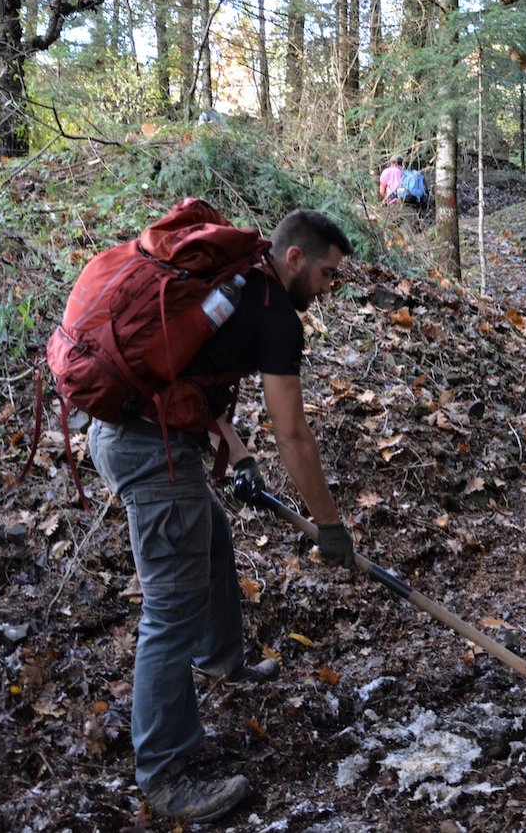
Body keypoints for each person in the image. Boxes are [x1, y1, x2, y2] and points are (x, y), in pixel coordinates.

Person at [87, 208, 358, 823]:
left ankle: (222, 661)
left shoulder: (237, 284)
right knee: (170, 610)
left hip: (131, 430)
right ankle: (165, 773)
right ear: (295, 259)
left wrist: (235, 454)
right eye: (326, 274)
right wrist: (330, 525)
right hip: (147, 447)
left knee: (210, 534)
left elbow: (190, 374)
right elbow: (294, 435)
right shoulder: (274, 313)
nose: (329, 288)